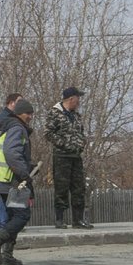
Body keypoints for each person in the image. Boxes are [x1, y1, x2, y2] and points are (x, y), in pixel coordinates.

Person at [0, 98, 36, 265]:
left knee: (12, 216)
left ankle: (7, 255)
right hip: (11, 179)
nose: (30, 117)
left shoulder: (5, 127)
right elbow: (12, 153)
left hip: (0, 177)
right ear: (20, 114)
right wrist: (24, 173)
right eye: (28, 113)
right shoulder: (16, 128)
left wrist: (28, 166)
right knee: (22, 215)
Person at [44, 87, 93, 229]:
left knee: (79, 187)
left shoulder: (76, 116)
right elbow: (48, 133)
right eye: (78, 98)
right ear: (71, 98)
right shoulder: (54, 113)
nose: (79, 102)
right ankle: (59, 219)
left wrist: (81, 142)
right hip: (62, 156)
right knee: (61, 187)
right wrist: (64, 144)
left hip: (76, 156)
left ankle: (78, 220)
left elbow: (80, 132)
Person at [0, 93, 22, 230]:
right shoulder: (9, 121)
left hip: (0, 168)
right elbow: (10, 150)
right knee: (6, 200)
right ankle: (3, 227)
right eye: (19, 102)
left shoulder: (2, 119)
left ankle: (4, 226)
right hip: (7, 169)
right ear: (11, 103)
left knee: (6, 199)